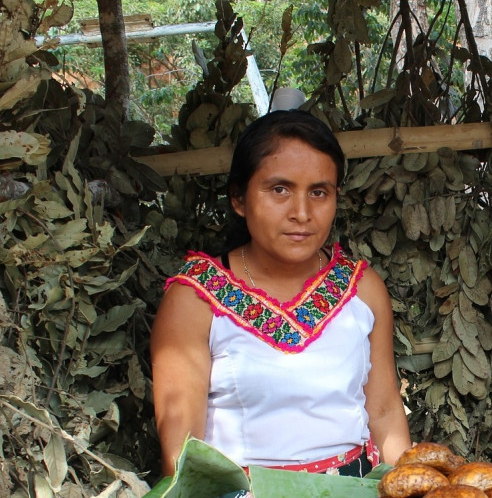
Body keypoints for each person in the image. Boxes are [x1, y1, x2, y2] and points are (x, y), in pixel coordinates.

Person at [151, 109, 412, 478]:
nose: (302, 213)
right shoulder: (195, 299)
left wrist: (408, 485)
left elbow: (384, 411)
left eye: (319, 192)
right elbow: (182, 455)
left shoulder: (362, 289)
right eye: (280, 190)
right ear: (239, 199)